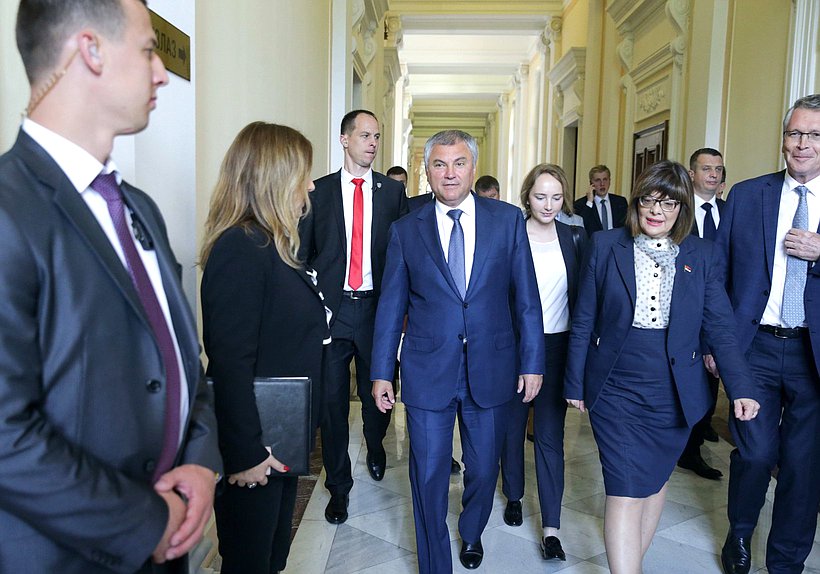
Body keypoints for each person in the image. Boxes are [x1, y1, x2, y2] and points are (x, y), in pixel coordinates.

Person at [0, 1, 222, 571]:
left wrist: (199, 457)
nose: (161, 73)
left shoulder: (137, 207)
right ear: (90, 49)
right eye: (149, 50)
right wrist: (143, 521)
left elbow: (177, 359)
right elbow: (5, 436)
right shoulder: (9, 208)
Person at [564, 160, 759, 574]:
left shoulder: (701, 255)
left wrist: (741, 387)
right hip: (614, 384)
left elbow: (721, 328)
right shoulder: (605, 246)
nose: (657, 211)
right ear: (636, 202)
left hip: (674, 388)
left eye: (669, 204)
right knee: (623, 488)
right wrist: (574, 382)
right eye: (650, 200)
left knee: (653, 483)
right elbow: (583, 319)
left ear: (682, 210)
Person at [370, 130, 544, 572]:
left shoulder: (506, 221)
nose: (450, 173)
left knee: (485, 469)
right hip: (428, 369)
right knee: (426, 474)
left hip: (492, 367)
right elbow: (391, 306)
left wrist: (532, 362)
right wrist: (380, 371)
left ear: (473, 167)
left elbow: (526, 299)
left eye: (459, 163)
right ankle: (434, 563)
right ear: (426, 171)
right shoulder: (406, 230)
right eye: (440, 165)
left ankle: (471, 531)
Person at [200, 122, 329, 574]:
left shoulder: (271, 246)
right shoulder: (241, 247)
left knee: (271, 559)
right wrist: (246, 453)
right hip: (258, 446)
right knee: (250, 563)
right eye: (303, 176)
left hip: (280, 440)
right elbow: (230, 361)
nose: (310, 186)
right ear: (275, 179)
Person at [718, 94, 820, 574]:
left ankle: (785, 563)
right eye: (795, 133)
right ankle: (739, 534)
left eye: (814, 135)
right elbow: (717, 276)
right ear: (783, 139)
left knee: (803, 467)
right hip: (754, 347)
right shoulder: (747, 194)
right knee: (755, 453)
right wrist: (717, 344)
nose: (802, 145)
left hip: (813, 355)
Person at [300, 109, 408, 525]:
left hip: (377, 310)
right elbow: (304, 255)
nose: (372, 143)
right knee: (330, 402)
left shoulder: (391, 194)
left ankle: (377, 445)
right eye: (365, 136)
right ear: (344, 140)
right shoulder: (319, 192)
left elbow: (399, 258)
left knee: (376, 393)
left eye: (377, 137)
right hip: (333, 309)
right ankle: (339, 488)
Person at [499, 164, 587, 562]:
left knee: (550, 438)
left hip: (558, 349)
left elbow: (586, 300)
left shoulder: (575, 238)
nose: (548, 205)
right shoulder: (510, 235)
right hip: (516, 349)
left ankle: (551, 527)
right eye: (540, 196)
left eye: (555, 196)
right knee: (512, 430)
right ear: (526, 196)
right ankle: (514, 495)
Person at [676, 148, 726, 481]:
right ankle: (682, 447)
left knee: (709, 382)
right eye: (706, 169)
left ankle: (695, 440)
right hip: (684, 311)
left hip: (719, 308)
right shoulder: (678, 209)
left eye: (718, 170)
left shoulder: (730, 210)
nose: (713, 174)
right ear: (692, 174)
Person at [573, 165, 628, 235]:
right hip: (593, 244)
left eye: (605, 179)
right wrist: (589, 202)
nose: (602, 184)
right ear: (591, 183)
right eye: (597, 180)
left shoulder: (620, 202)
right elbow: (580, 227)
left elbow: (626, 227)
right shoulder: (581, 204)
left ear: (610, 181)